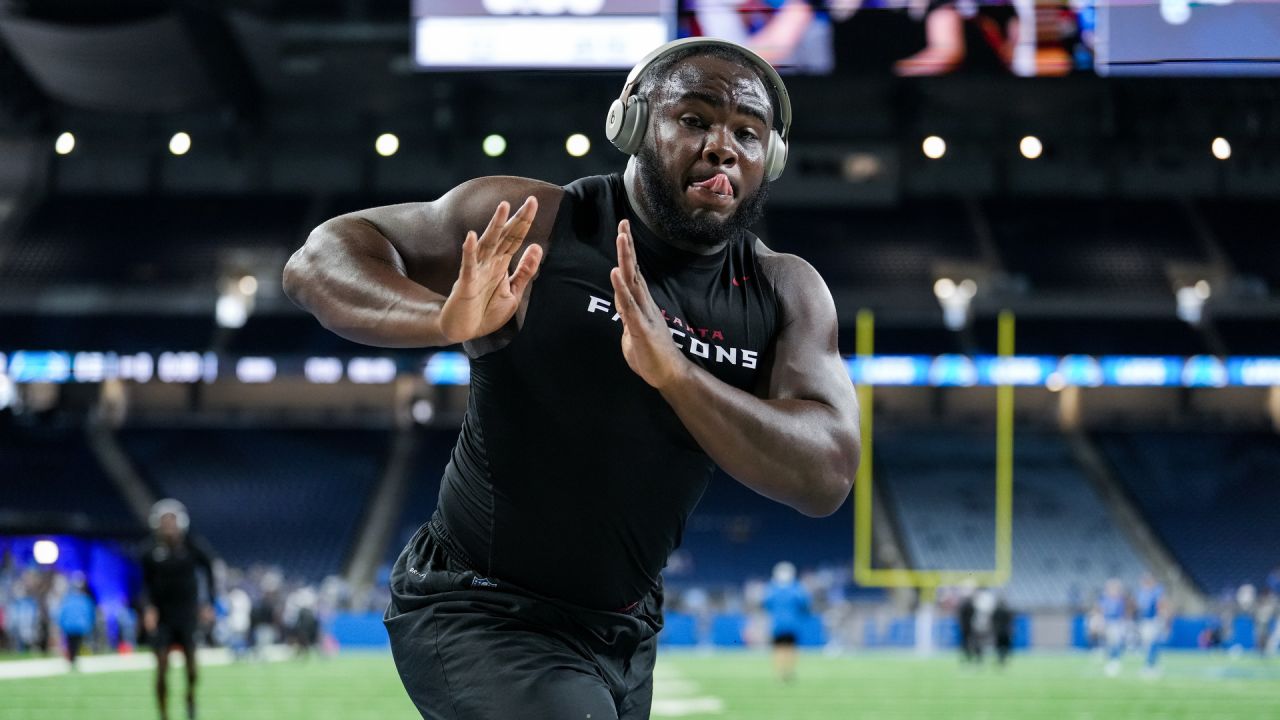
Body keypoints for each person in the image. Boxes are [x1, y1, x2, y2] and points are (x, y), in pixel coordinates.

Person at [283, 36, 860, 720]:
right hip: (479, 604)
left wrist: (677, 376)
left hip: (623, 627)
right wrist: (442, 318)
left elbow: (826, 473)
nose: (722, 147)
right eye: (696, 119)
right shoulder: (536, 223)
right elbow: (319, 259)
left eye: (747, 132)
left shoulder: (784, 290)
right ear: (634, 124)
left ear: (772, 159)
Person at [140, 499, 216, 720]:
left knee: (191, 668)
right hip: (162, 615)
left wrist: (208, 602)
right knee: (162, 667)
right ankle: (163, 714)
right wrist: (148, 608)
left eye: (172, 521)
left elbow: (210, 569)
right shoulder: (149, 551)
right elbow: (143, 585)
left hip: (187, 614)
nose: (169, 526)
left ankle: (190, 697)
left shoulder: (192, 547)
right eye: (165, 522)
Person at [762, 561, 810, 682]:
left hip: (777, 624)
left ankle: (780, 673)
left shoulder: (772, 589)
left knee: (778, 649)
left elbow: (766, 604)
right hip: (793, 624)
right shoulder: (797, 588)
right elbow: (804, 603)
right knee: (791, 648)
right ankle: (788, 671)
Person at [57, 573, 96, 670]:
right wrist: (89, 625)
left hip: (69, 627)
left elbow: (62, 613)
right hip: (80, 626)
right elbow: (89, 614)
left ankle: (72, 660)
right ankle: (74, 660)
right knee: (77, 644)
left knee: (71, 644)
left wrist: (61, 624)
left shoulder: (67, 599)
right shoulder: (85, 600)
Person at [1135, 574, 1168, 676]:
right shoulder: (1142, 592)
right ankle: (1151, 665)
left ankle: (1150, 665)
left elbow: (1161, 604)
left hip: (1153, 620)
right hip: (1145, 621)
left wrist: (1162, 617)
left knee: (1152, 643)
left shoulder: (1156, 592)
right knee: (1147, 644)